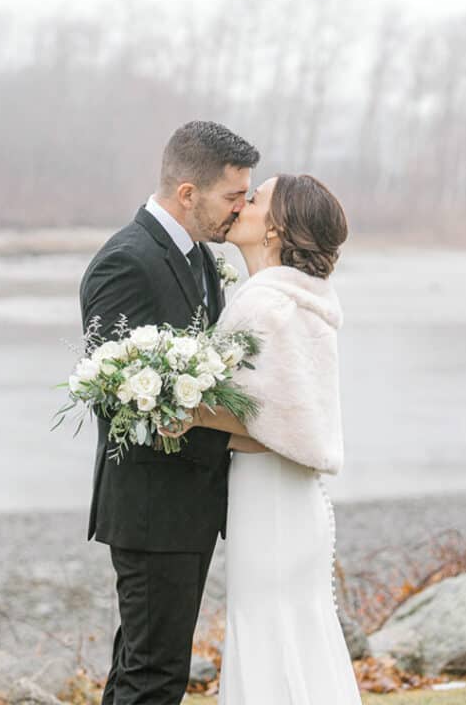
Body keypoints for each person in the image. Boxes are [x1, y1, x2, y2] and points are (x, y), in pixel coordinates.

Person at [79, 120, 260, 705]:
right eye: (233, 196)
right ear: (189, 193)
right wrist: (234, 434)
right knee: (155, 677)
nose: (241, 209)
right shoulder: (125, 262)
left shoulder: (199, 257)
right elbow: (115, 396)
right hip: (151, 506)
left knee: (142, 666)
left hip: (186, 506)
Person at [163, 172, 361, 704]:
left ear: (276, 228)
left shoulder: (265, 302)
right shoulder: (305, 298)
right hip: (291, 500)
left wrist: (191, 413)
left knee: (267, 632)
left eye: (255, 199)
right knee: (297, 632)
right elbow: (286, 413)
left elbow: (273, 425)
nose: (241, 205)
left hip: (270, 499)